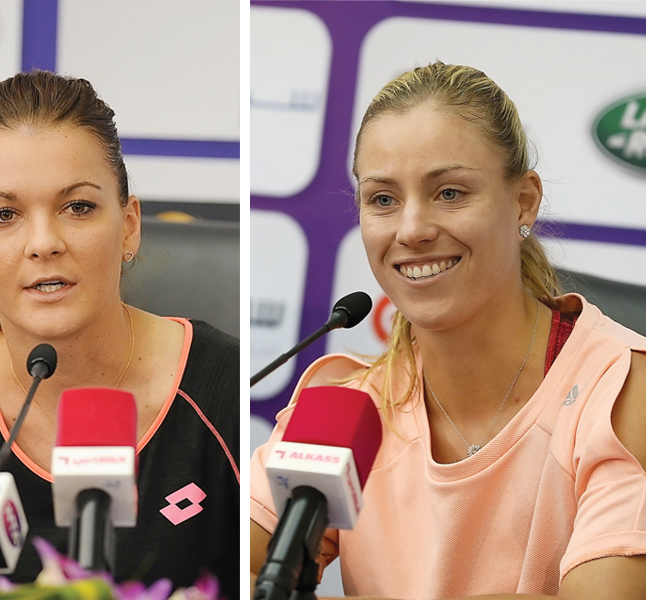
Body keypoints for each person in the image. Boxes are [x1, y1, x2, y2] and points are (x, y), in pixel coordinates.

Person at [250, 61, 646, 599]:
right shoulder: (343, 408)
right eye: (383, 199)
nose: (412, 230)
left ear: (524, 201)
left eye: (450, 193)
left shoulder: (623, 388)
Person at [0, 70, 239, 598]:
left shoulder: (225, 388)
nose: (43, 242)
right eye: (4, 214)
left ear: (129, 224)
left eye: (77, 207)